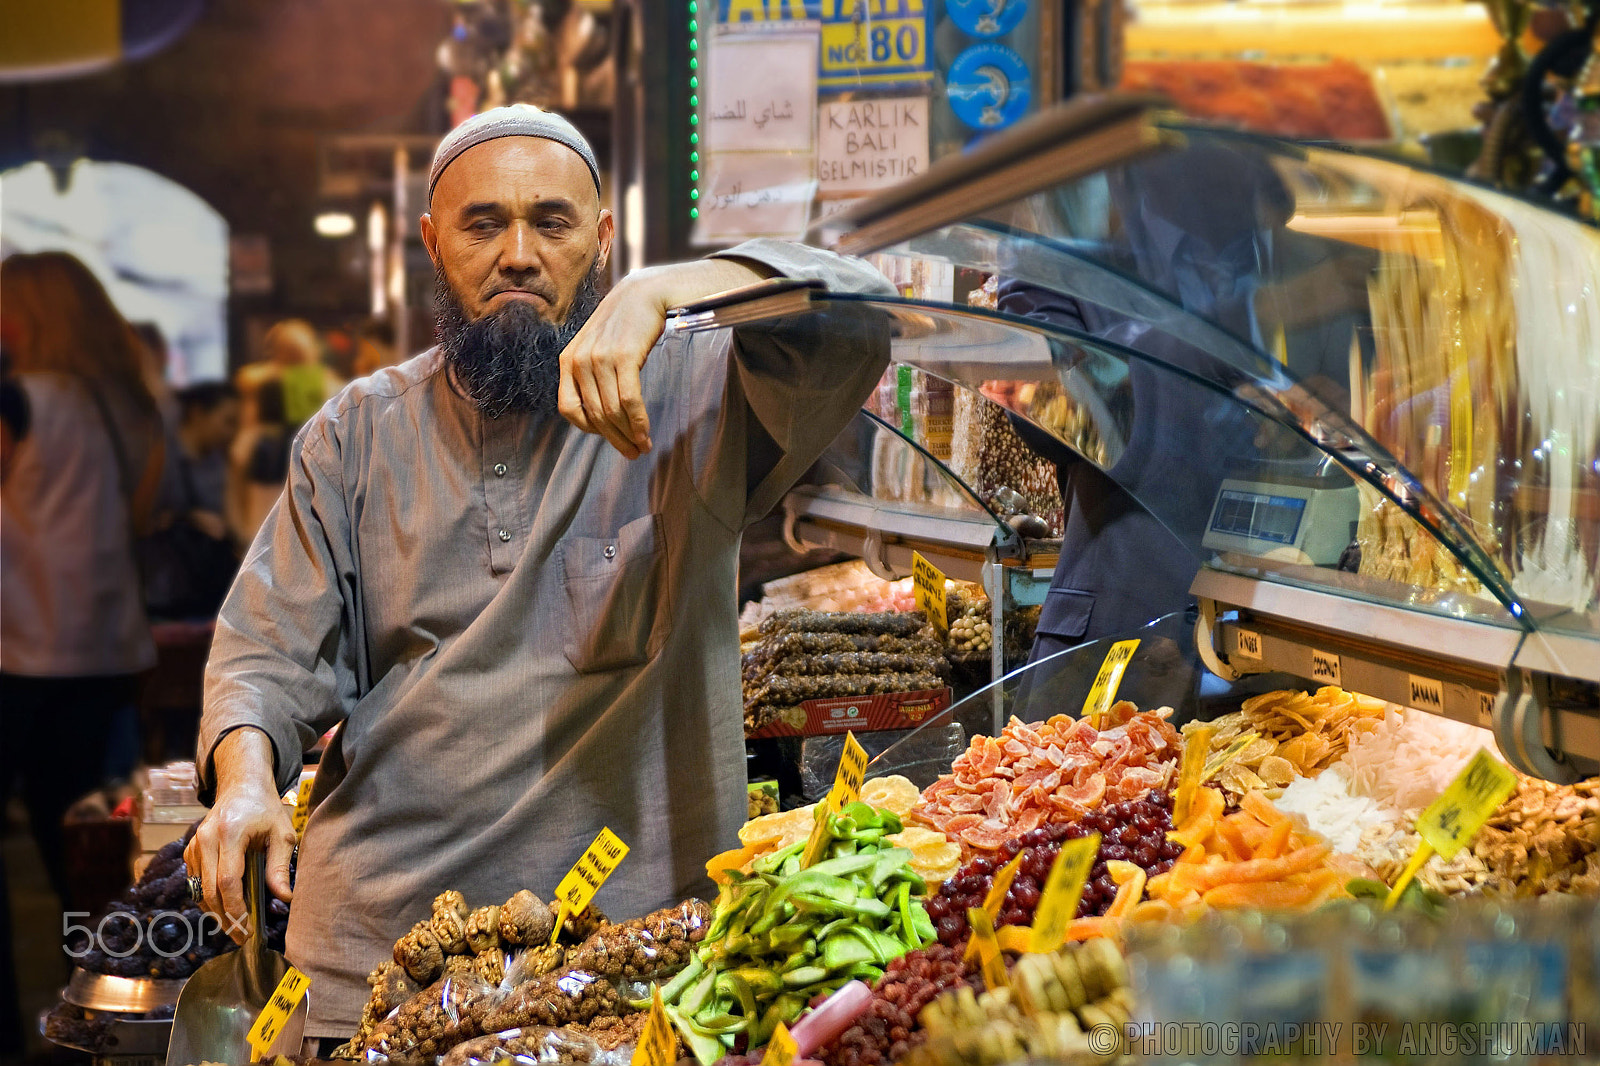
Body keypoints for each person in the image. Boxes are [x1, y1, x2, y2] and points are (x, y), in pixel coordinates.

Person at [183, 104, 894, 1044]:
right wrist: (243, 782)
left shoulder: (693, 392)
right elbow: (265, 652)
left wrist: (670, 290)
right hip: (379, 960)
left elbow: (855, 310)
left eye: (551, 223)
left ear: (600, 239)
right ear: (434, 245)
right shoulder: (356, 435)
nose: (518, 252)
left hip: (626, 959)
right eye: (484, 224)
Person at [0, 251, 165, 936]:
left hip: (20, 644)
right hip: (107, 647)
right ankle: (98, 988)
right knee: (80, 844)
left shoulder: (19, 399)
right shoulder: (128, 404)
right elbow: (141, 517)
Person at [143, 381, 243, 619]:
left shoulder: (221, 462)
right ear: (198, 413)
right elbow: (139, 521)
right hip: (162, 591)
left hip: (208, 592)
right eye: (227, 421)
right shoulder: (160, 458)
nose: (232, 433)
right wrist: (188, 518)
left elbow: (235, 523)